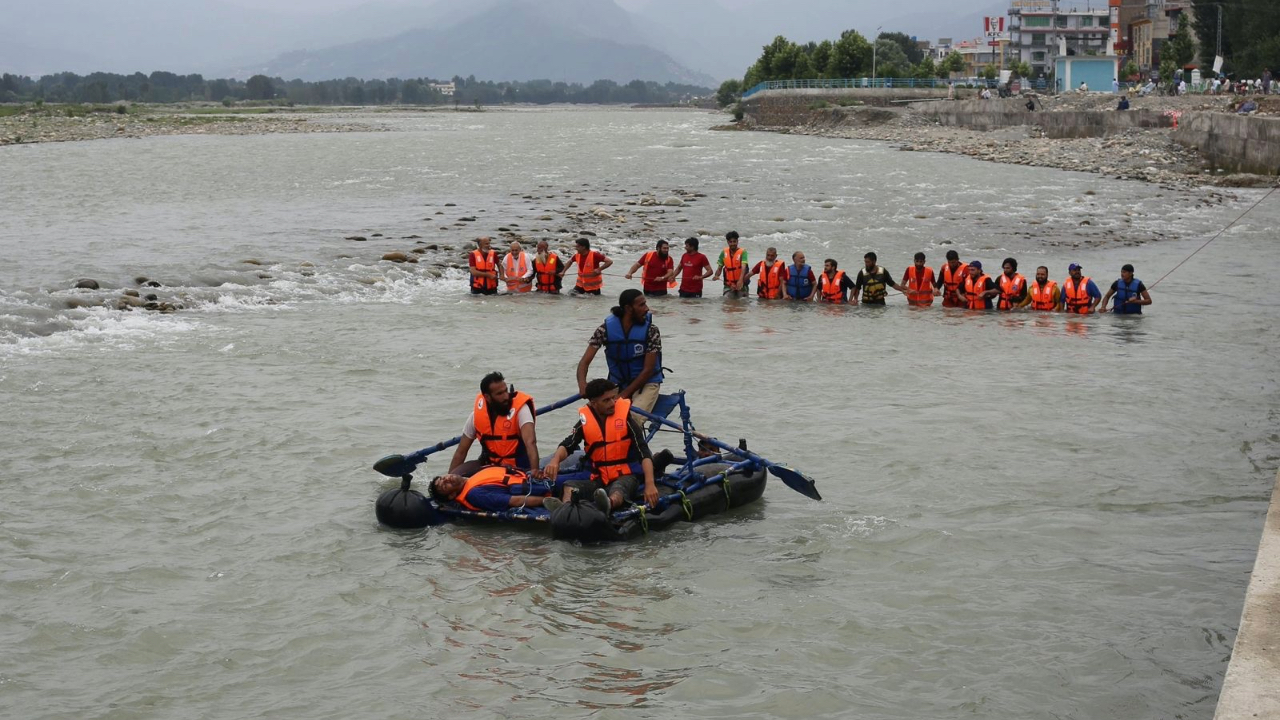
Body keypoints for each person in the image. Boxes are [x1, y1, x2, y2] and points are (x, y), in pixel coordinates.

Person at [543, 378, 658, 512]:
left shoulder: (626, 421)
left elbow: (643, 452)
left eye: (613, 398)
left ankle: (607, 503)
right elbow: (568, 444)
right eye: (606, 400)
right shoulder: (585, 422)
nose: (612, 403)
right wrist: (555, 460)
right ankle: (566, 509)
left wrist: (650, 484)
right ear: (594, 403)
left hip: (626, 476)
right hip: (598, 478)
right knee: (569, 486)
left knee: (618, 490)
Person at [576, 288, 663, 414]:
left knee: (632, 418)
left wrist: (622, 396)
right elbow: (584, 362)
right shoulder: (604, 330)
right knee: (592, 416)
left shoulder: (652, 331)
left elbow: (648, 370)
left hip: (647, 383)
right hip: (617, 382)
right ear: (628, 308)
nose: (647, 309)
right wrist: (583, 385)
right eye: (641, 305)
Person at [448, 372, 539, 477]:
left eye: (506, 391)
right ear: (487, 397)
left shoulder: (521, 410)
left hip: (518, 468)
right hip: (488, 466)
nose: (506, 397)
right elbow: (461, 451)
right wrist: (448, 479)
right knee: (456, 474)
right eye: (500, 394)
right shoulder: (476, 415)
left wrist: (535, 471)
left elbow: (530, 442)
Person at [428, 465, 553, 513]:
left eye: (443, 478)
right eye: (445, 486)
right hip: (540, 490)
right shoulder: (475, 494)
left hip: (534, 479)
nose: (446, 480)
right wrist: (545, 500)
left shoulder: (471, 476)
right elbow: (514, 501)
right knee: (569, 483)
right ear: (451, 495)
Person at [712, 231, 748, 296]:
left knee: (742, 302)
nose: (733, 244)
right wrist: (716, 275)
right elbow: (719, 268)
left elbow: (743, 267)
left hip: (742, 284)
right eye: (730, 242)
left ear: (737, 241)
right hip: (728, 285)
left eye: (734, 241)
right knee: (727, 301)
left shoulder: (743, 252)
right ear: (727, 242)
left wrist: (740, 281)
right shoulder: (723, 253)